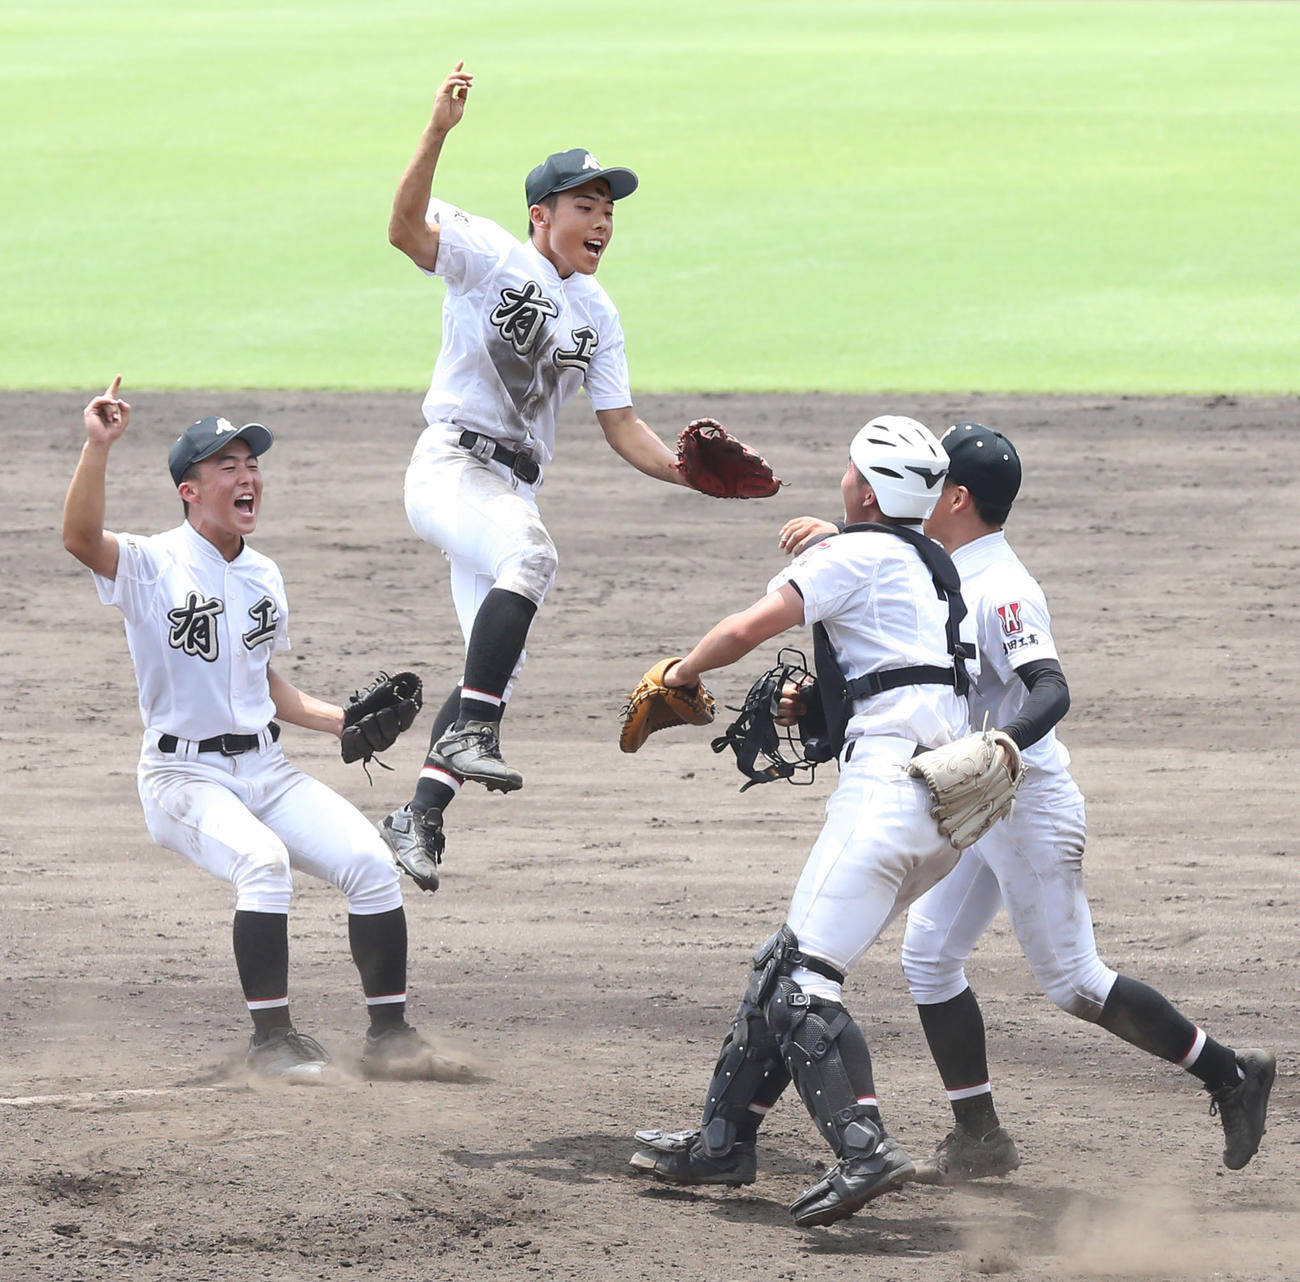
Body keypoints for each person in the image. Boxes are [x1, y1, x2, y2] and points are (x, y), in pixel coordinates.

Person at [777, 421, 1275, 1182]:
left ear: (959, 497)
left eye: (936, 477)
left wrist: (1002, 743)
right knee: (930, 957)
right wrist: (844, 535)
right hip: (968, 798)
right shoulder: (935, 562)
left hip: (1026, 800)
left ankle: (1231, 1075)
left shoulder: (1003, 587)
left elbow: (1052, 687)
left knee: (1075, 981)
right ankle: (980, 1137)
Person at [628, 416, 988, 1230]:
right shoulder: (933, 568)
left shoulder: (849, 555)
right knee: (783, 965)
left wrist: (676, 675)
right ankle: (723, 1141)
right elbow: (889, 654)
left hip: (887, 795)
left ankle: (865, 1148)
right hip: (942, 807)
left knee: (801, 986)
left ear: (863, 488)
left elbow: (747, 628)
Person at [63, 377, 456, 1084]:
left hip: (266, 770)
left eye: (252, 465)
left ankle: (389, 1035)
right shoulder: (151, 564)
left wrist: (341, 722)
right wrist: (98, 447)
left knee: (370, 863)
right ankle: (271, 1041)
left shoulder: (265, 575)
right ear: (190, 489)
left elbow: (265, 687)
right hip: (183, 777)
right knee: (264, 864)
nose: (248, 478)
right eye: (227, 466)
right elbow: (80, 537)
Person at [379, 61, 695, 892]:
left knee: (497, 661)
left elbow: (621, 425)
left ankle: (419, 816)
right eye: (586, 207)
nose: (602, 223)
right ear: (541, 216)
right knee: (532, 558)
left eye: (610, 211)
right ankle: (473, 728)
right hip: (450, 466)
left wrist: (688, 474)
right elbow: (405, 230)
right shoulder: (488, 254)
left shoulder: (600, 313)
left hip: (507, 488)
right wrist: (436, 133)